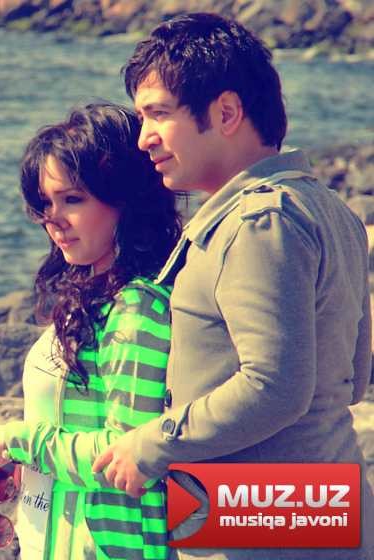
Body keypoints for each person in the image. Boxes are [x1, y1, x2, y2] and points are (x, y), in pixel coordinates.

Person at [90, 12, 374, 560]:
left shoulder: (256, 222)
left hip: (265, 532)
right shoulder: (330, 209)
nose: (144, 138)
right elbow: (353, 378)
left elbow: (275, 386)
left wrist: (151, 443)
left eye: (158, 114)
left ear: (225, 112)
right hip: (316, 512)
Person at [0, 102, 181, 559]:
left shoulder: (136, 307)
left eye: (72, 200)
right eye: (46, 203)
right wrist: (20, 465)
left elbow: (127, 455)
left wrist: (15, 440)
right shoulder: (92, 294)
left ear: (124, 198)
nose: (54, 219)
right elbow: (73, 427)